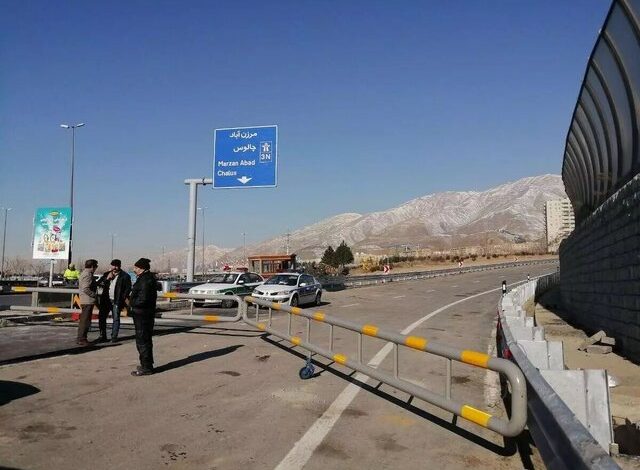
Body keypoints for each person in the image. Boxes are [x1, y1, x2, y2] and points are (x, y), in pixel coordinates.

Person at [128, 257, 157, 376]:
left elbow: (143, 299)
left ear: (142, 268)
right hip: (143, 313)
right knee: (144, 340)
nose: (134, 270)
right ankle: (146, 364)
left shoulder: (145, 280)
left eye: (136, 267)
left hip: (142, 314)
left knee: (143, 340)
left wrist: (132, 303)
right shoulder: (145, 278)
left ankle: (146, 367)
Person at [96, 259, 132, 343]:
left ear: (120, 266)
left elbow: (128, 289)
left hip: (116, 300)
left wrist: (122, 298)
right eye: (113, 266)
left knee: (116, 319)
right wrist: (107, 279)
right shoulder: (106, 274)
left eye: (116, 266)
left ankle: (114, 337)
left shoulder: (125, 276)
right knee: (102, 318)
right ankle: (102, 336)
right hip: (106, 300)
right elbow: (98, 284)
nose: (115, 268)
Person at [77, 259, 98, 346]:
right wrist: (94, 295)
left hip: (85, 300)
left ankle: (81, 338)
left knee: (85, 320)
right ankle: (82, 339)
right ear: (92, 266)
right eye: (96, 266)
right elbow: (85, 288)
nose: (96, 268)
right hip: (87, 300)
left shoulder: (85, 273)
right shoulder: (87, 275)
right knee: (85, 321)